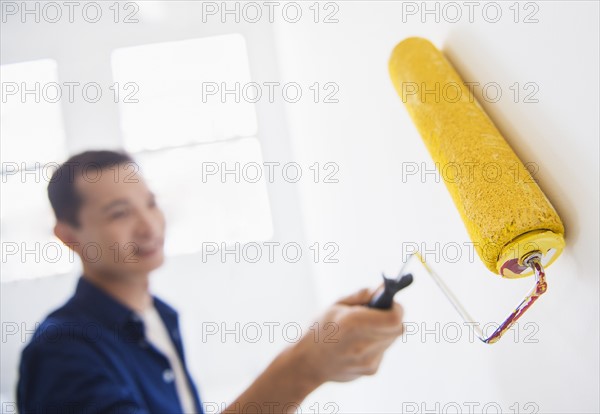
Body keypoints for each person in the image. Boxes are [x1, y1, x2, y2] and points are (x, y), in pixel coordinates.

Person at [16, 150, 406, 414]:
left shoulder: (158, 318)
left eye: (150, 203)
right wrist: (304, 367)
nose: (149, 225)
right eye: (120, 213)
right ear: (68, 236)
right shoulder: (61, 352)